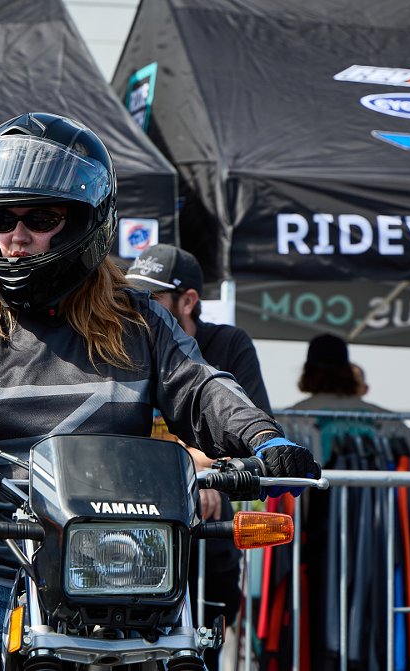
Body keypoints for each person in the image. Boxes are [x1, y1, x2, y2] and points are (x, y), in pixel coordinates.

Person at [0, 112, 320, 671]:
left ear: (82, 222)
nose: (16, 237)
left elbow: (201, 386)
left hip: (122, 572)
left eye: (40, 217)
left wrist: (262, 439)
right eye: (0, 217)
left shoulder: (138, 321)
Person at [126, 242, 272, 667]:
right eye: (131, 295)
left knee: (202, 646)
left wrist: (193, 468)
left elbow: (253, 432)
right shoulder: (121, 341)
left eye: (150, 296)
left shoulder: (227, 343)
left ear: (188, 300)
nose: (136, 306)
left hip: (205, 531)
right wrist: (188, 462)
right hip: (123, 525)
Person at [287, 333, 410, 471]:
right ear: (348, 372)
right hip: (376, 499)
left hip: (314, 496)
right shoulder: (384, 417)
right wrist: (408, 496)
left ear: (307, 372)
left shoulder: (291, 417)